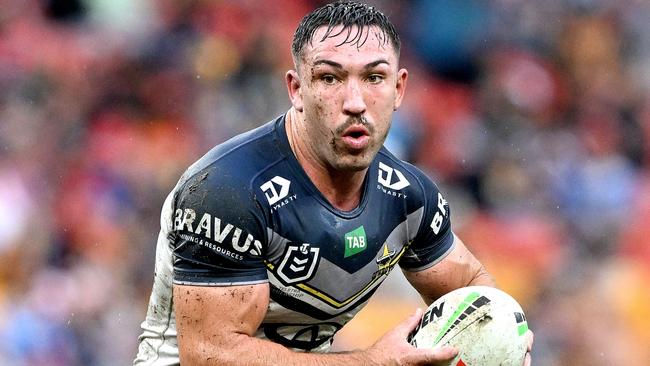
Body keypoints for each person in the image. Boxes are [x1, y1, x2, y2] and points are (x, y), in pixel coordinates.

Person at [134, 1, 533, 365]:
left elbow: (474, 289)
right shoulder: (227, 191)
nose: (355, 101)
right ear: (296, 90)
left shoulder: (409, 198)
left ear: (399, 89)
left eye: (374, 77)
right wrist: (373, 362)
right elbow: (210, 356)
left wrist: (503, 336)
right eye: (330, 78)